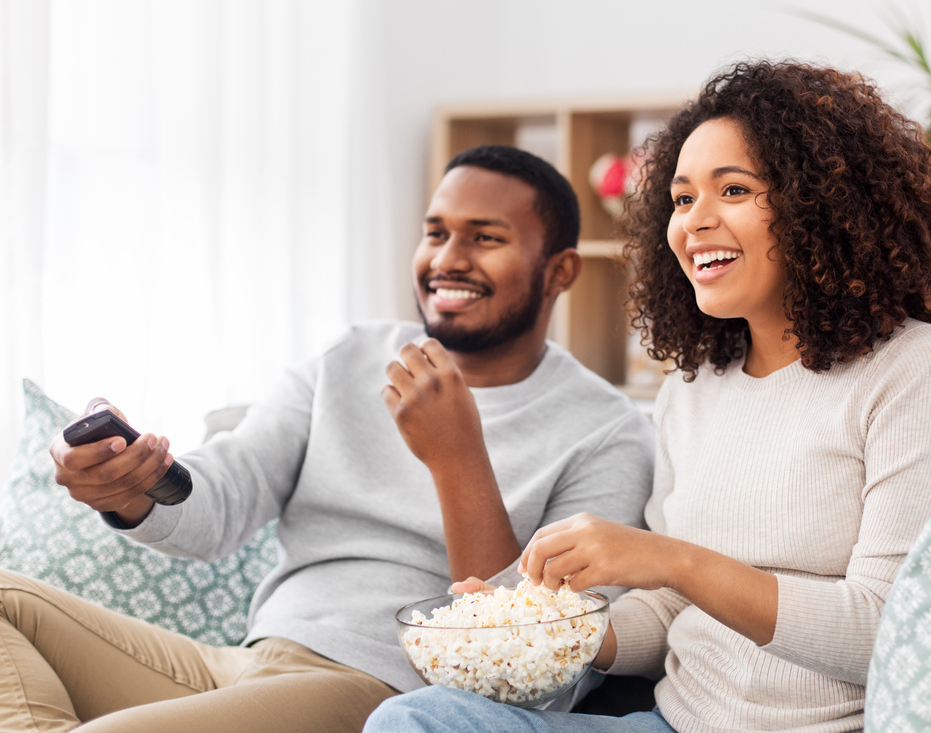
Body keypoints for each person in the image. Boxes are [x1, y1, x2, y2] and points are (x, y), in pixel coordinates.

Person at [362, 60, 931, 733]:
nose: (695, 222)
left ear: (821, 207)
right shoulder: (692, 390)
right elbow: (666, 618)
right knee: (416, 720)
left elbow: (890, 630)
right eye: (683, 199)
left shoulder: (915, 369)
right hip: (671, 724)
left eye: (735, 190)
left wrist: (674, 562)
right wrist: (543, 627)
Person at [0, 145, 655, 733]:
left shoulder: (607, 433)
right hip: (247, 665)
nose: (447, 259)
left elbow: (534, 665)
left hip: (382, 693)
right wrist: (132, 487)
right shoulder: (350, 358)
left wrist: (457, 458)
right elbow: (221, 501)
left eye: (485, 238)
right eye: (435, 233)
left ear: (561, 271)